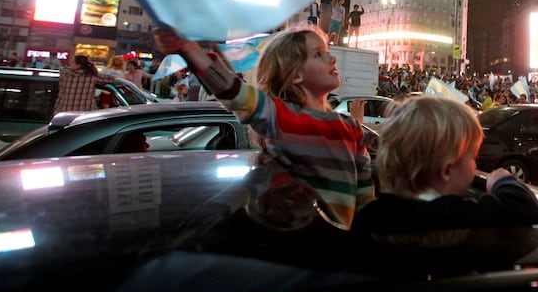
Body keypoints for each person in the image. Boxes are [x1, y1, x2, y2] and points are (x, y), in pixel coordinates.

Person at [154, 23, 374, 230]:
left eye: (327, 52)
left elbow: (365, 196)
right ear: (296, 74)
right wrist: (188, 49)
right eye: (319, 54)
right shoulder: (282, 117)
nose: (332, 59)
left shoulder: (351, 128)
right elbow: (234, 92)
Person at [350, 95, 538, 236]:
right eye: (472, 157)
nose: (475, 165)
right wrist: (503, 181)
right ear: (447, 170)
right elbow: (524, 210)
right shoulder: (459, 216)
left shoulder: (369, 216)